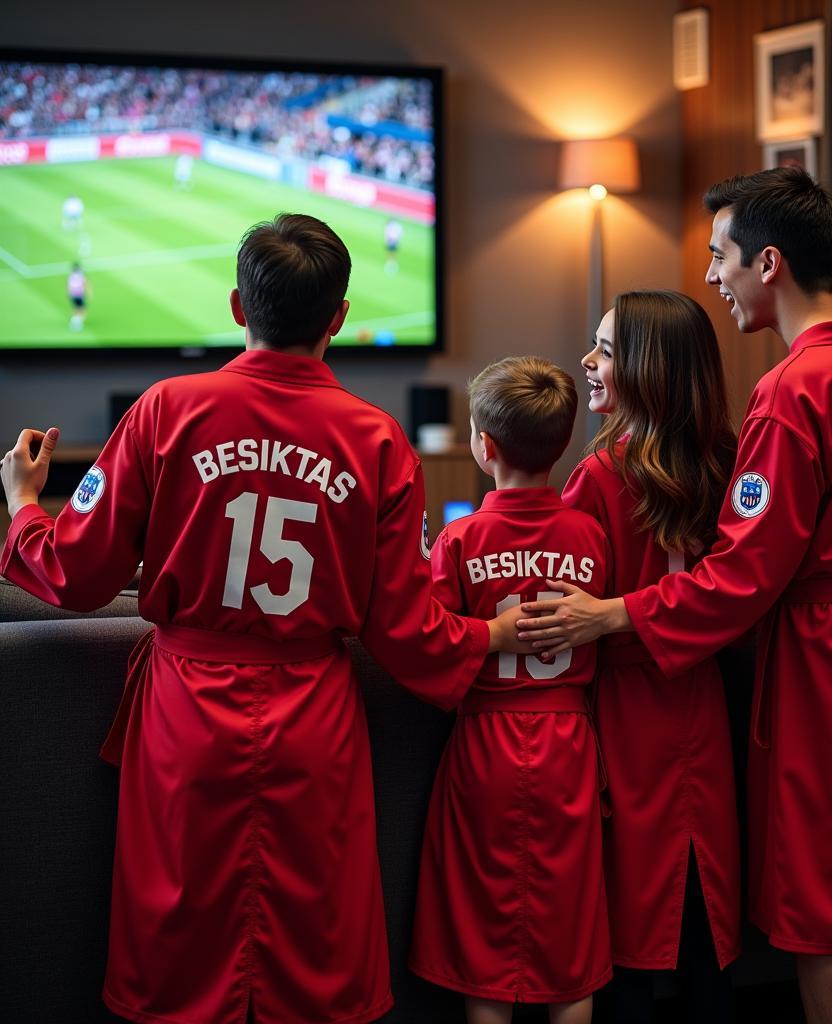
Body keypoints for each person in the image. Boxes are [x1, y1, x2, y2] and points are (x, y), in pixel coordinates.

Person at [0, 213, 528, 1024]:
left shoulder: (164, 409)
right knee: (312, 949)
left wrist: (25, 507)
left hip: (184, 720)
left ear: (239, 307)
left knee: (176, 944)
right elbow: (404, 627)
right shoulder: (381, 441)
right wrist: (487, 634)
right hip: (315, 723)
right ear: (341, 318)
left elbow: (75, 570)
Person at [518, 169, 832, 1024]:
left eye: (720, 256)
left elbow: (743, 575)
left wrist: (616, 612)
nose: (712, 276)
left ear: (768, 263)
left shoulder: (789, 393)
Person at [408, 357, 613, 1024]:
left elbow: (430, 639)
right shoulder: (592, 533)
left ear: (484, 447)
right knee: (570, 938)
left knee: (486, 943)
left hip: (486, 748)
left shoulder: (462, 538)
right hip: (569, 746)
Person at [561, 290, 740, 1023]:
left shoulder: (599, 476)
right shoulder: (728, 459)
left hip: (623, 711)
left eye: (604, 349)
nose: (588, 362)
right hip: (703, 701)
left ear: (647, 369)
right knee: (705, 909)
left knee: (628, 908)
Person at [66, 262, 89, 331]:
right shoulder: (81, 275)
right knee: (82, 310)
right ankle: (78, 323)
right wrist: (87, 292)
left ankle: (74, 321)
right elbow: (85, 283)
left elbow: (68, 286)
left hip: (72, 295)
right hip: (79, 295)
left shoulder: (71, 276)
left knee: (76, 309)